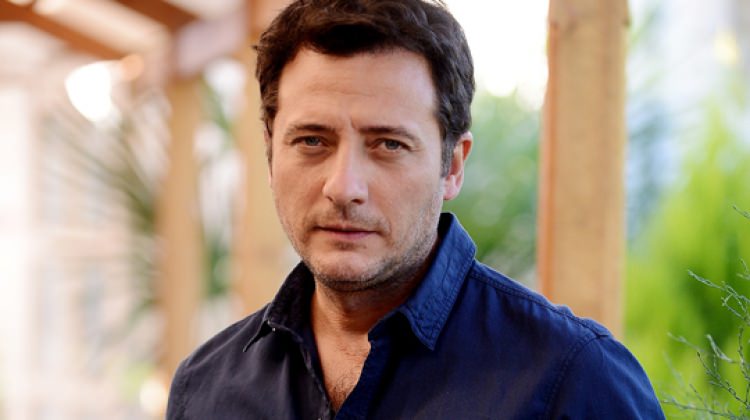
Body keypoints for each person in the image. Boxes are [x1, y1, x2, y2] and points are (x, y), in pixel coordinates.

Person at [166, 0, 665, 418]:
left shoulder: (573, 381)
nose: (344, 187)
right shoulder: (206, 389)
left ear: (453, 166)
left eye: (388, 144)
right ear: (271, 153)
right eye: (312, 140)